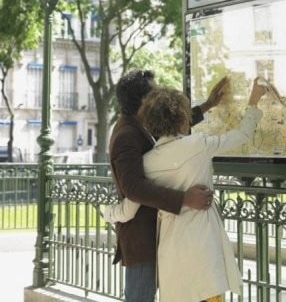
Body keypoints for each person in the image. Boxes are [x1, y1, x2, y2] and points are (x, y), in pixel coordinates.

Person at [105, 78, 267, 302]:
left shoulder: (147, 161)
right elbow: (134, 189)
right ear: (142, 101)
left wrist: (108, 212)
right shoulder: (196, 144)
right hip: (197, 244)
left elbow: (130, 205)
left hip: (169, 247)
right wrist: (253, 102)